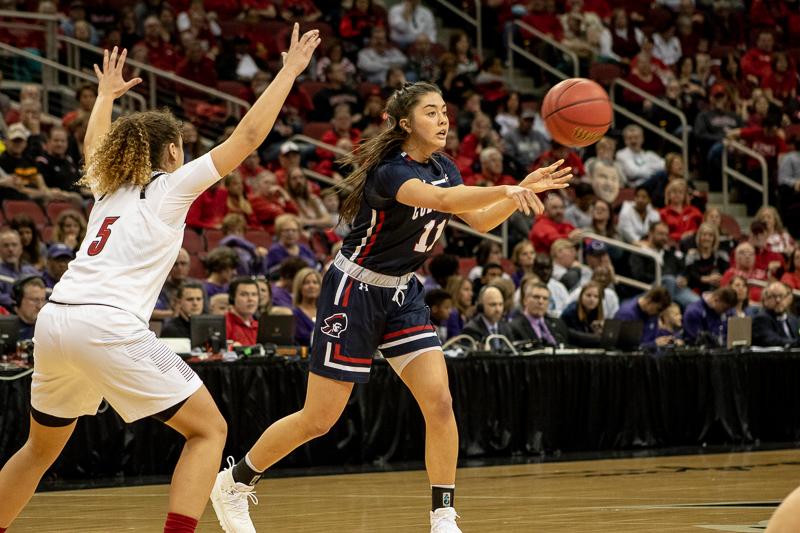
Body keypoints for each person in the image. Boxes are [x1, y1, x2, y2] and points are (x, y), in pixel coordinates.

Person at [210, 80, 572, 533]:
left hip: (403, 292)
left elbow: (478, 219)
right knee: (318, 419)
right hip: (353, 290)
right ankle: (234, 482)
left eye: (444, 112)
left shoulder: (444, 165)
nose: (443, 120)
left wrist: (513, 194)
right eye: (431, 113)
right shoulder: (390, 172)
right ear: (405, 123)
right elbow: (440, 201)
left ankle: (443, 517)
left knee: (439, 401)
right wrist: (508, 187)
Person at [0, 30, 321, 533]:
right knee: (209, 430)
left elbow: (92, 146)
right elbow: (247, 139)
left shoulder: (108, 187)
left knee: (38, 450)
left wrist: (104, 97)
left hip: (55, 320)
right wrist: (288, 74)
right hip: (108, 326)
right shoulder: (169, 189)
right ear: (172, 151)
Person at [510, 282, 569, 347]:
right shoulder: (514, 327)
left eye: (545, 298)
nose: (541, 301)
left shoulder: (557, 325)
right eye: (536, 297)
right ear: (525, 300)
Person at [0, 229, 41, 311]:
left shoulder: (31, 271)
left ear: (21, 248)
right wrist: (19, 303)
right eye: (6, 245)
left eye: (14, 245)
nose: (10, 249)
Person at [684, 223, 729, 294]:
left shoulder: (721, 255)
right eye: (704, 235)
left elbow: (727, 274)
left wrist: (720, 280)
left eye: (710, 235)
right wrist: (707, 279)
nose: (707, 238)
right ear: (699, 237)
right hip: (695, 293)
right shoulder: (692, 255)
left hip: (718, 292)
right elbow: (690, 274)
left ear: (714, 238)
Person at [753, 282, 799, 347]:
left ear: (788, 298)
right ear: (765, 300)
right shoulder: (761, 319)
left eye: (781, 296)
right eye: (773, 296)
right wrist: (796, 343)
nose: (778, 300)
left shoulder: (793, 320)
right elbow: (772, 341)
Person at [560, 281, 603, 348]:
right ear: (581, 296)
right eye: (588, 295)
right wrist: (595, 337)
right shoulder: (571, 311)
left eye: (596, 296)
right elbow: (571, 335)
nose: (592, 299)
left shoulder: (595, 311)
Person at [225, 277, 261, 346]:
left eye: (254, 294)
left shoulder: (258, 326)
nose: (250, 299)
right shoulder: (225, 324)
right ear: (232, 298)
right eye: (244, 294)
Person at [292, 267, 322, 346]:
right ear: (299, 287)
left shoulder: (325, 313)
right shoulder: (294, 315)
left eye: (315, 282)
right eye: (306, 283)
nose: (311, 286)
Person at [12, 276, 47, 341]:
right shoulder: (5, 328)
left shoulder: (47, 327)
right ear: (18, 300)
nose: (40, 306)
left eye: (43, 300)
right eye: (34, 300)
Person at [445, 275, 474, 340]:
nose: (471, 294)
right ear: (455, 291)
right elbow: (456, 343)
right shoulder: (453, 313)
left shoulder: (462, 313)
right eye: (466, 289)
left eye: (471, 290)